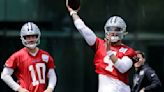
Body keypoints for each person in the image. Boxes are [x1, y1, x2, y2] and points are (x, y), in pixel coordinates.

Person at [66, 4, 137, 92]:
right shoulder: (99, 44)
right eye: (110, 29)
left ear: (123, 31)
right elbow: (83, 29)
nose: (113, 32)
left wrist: (109, 52)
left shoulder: (128, 51)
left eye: (117, 29)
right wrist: (73, 12)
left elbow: (123, 68)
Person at [1, 22, 57, 92]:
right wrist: (19, 89)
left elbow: (52, 74)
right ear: (23, 38)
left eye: (33, 36)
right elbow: (5, 75)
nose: (31, 39)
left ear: (38, 36)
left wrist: (50, 88)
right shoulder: (17, 56)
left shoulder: (45, 55)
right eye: (28, 37)